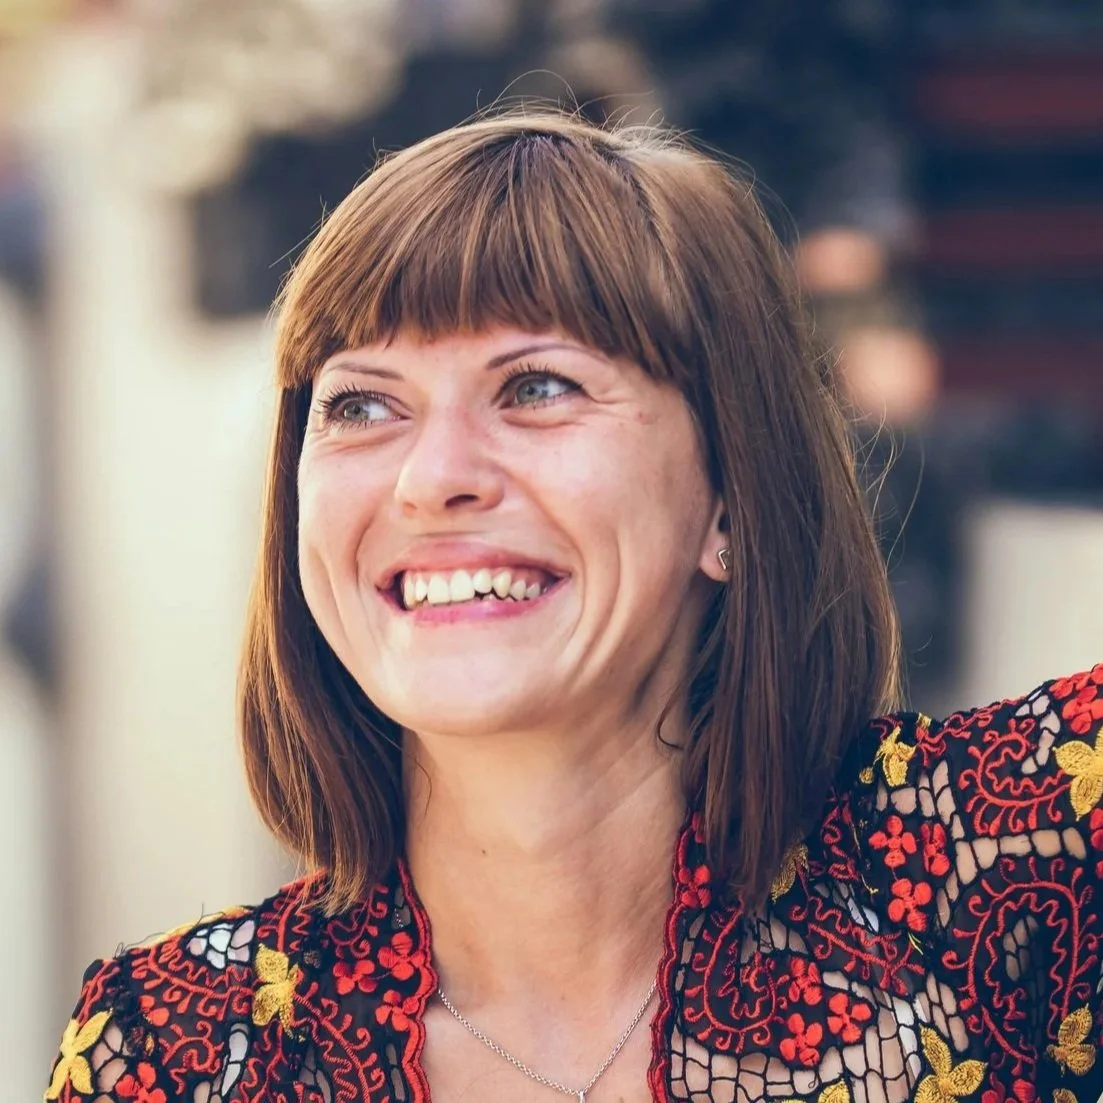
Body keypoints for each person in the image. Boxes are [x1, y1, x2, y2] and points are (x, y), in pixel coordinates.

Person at [45, 110, 1103, 1103]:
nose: (431, 476)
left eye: (537, 386)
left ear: (729, 495)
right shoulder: (173, 1049)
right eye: (362, 404)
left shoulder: (1020, 858)